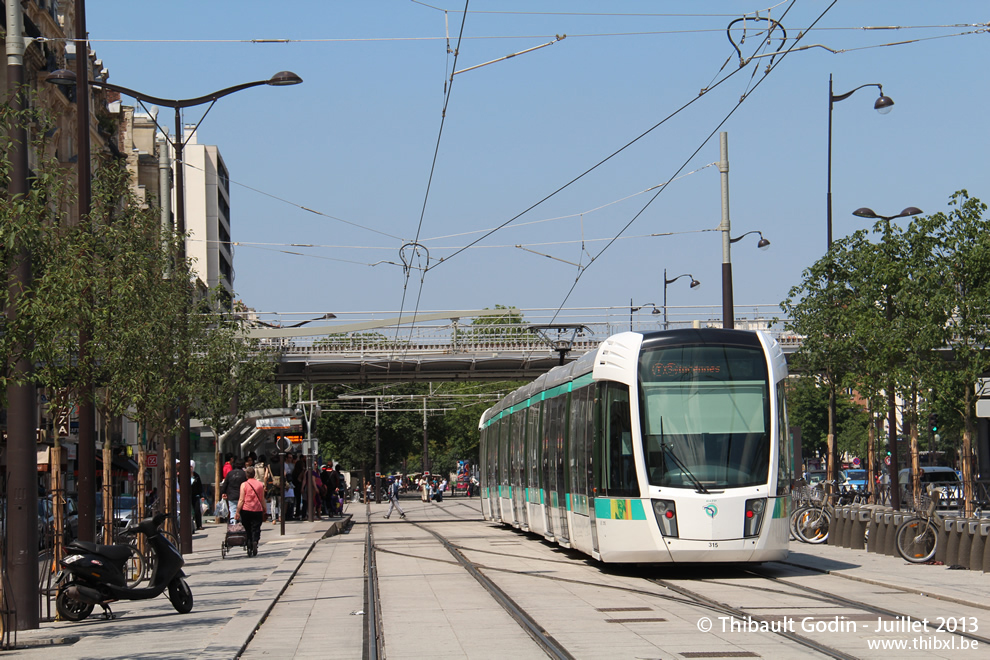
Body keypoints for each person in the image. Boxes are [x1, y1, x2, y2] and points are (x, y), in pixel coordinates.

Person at [236, 466, 267, 557]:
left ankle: (249, 541)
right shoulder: (260, 484)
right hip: (257, 509)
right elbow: (262, 499)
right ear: (254, 474)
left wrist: (237, 511)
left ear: (246, 475)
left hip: (246, 509)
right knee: (256, 527)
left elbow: (241, 499)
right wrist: (265, 508)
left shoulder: (244, 485)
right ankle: (255, 541)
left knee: (247, 527)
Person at [190, 460, 204, 530]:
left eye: (191, 467)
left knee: (197, 510)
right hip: (187, 496)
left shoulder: (196, 476)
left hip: (195, 495)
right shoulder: (183, 475)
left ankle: (199, 525)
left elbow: (199, 486)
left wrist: (201, 496)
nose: (190, 468)